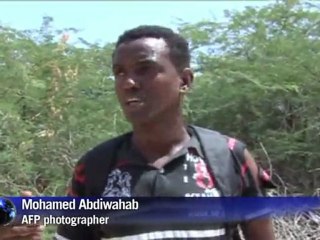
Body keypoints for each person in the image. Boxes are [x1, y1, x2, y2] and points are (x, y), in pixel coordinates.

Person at [1, 25, 276, 240]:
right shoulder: (94, 168)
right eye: (119, 73)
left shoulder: (228, 157)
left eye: (145, 69)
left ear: (185, 80)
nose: (129, 83)